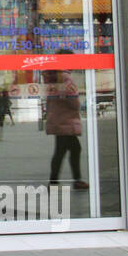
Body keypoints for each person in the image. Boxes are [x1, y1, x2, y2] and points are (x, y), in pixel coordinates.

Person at [44, 53, 88, 190]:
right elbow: (73, 101)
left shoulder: (52, 78)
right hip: (66, 120)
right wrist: (77, 104)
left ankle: (55, 181)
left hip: (58, 119)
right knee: (72, 149)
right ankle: (74, 180)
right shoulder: (65, 78)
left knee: (61, 151)